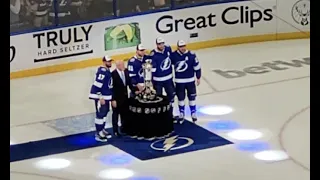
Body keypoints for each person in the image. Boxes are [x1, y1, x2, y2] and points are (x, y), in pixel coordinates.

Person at [171, 40, 202, 123]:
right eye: (181, 46)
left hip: (190, 81)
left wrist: (198, 77)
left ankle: (193, 113)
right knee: (181, 98)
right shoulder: (173, 55)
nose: (183, 48)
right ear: (178, 47)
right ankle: (182, 113)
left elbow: (197, 66)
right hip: (179, 82)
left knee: (192, 97)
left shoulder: (191, 55)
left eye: (184, 46)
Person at [150, 37, 176, 119]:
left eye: (162, 43)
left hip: (168, 79)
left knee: (171, 96)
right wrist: (152, 81)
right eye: (159, 44)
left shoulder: (168, 49)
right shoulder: (153, 54)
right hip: (158, 81)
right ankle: (160, 117)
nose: (161, 45)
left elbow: (171, 60)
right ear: (156, 44)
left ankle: (170, 114)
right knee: (159, 99)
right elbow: (152, 70)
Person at [89, 55, 113, 142]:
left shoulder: (106, 70)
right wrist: (100, 97)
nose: (110, 63)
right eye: (108, 61)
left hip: (106, 96)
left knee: (104, 113)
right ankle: (98, 133)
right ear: (104, 62)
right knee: (100, 114)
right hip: (102, 97)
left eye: (110, 61)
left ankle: (102, 129)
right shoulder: (102, 71)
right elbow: (97, 84)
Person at [111, 60, 136, 137]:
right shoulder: (113, 75)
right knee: (116, 115)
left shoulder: (126, 71)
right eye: (122, 65)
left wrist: (135, 91)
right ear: (117, 66)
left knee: (124, 114)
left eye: (123, 64)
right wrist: (113, 100)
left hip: (125, 97)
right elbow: (111, 88)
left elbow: (129, 83)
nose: (123, 66)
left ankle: (123, 128)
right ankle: (115, 131)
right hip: (117, 99)